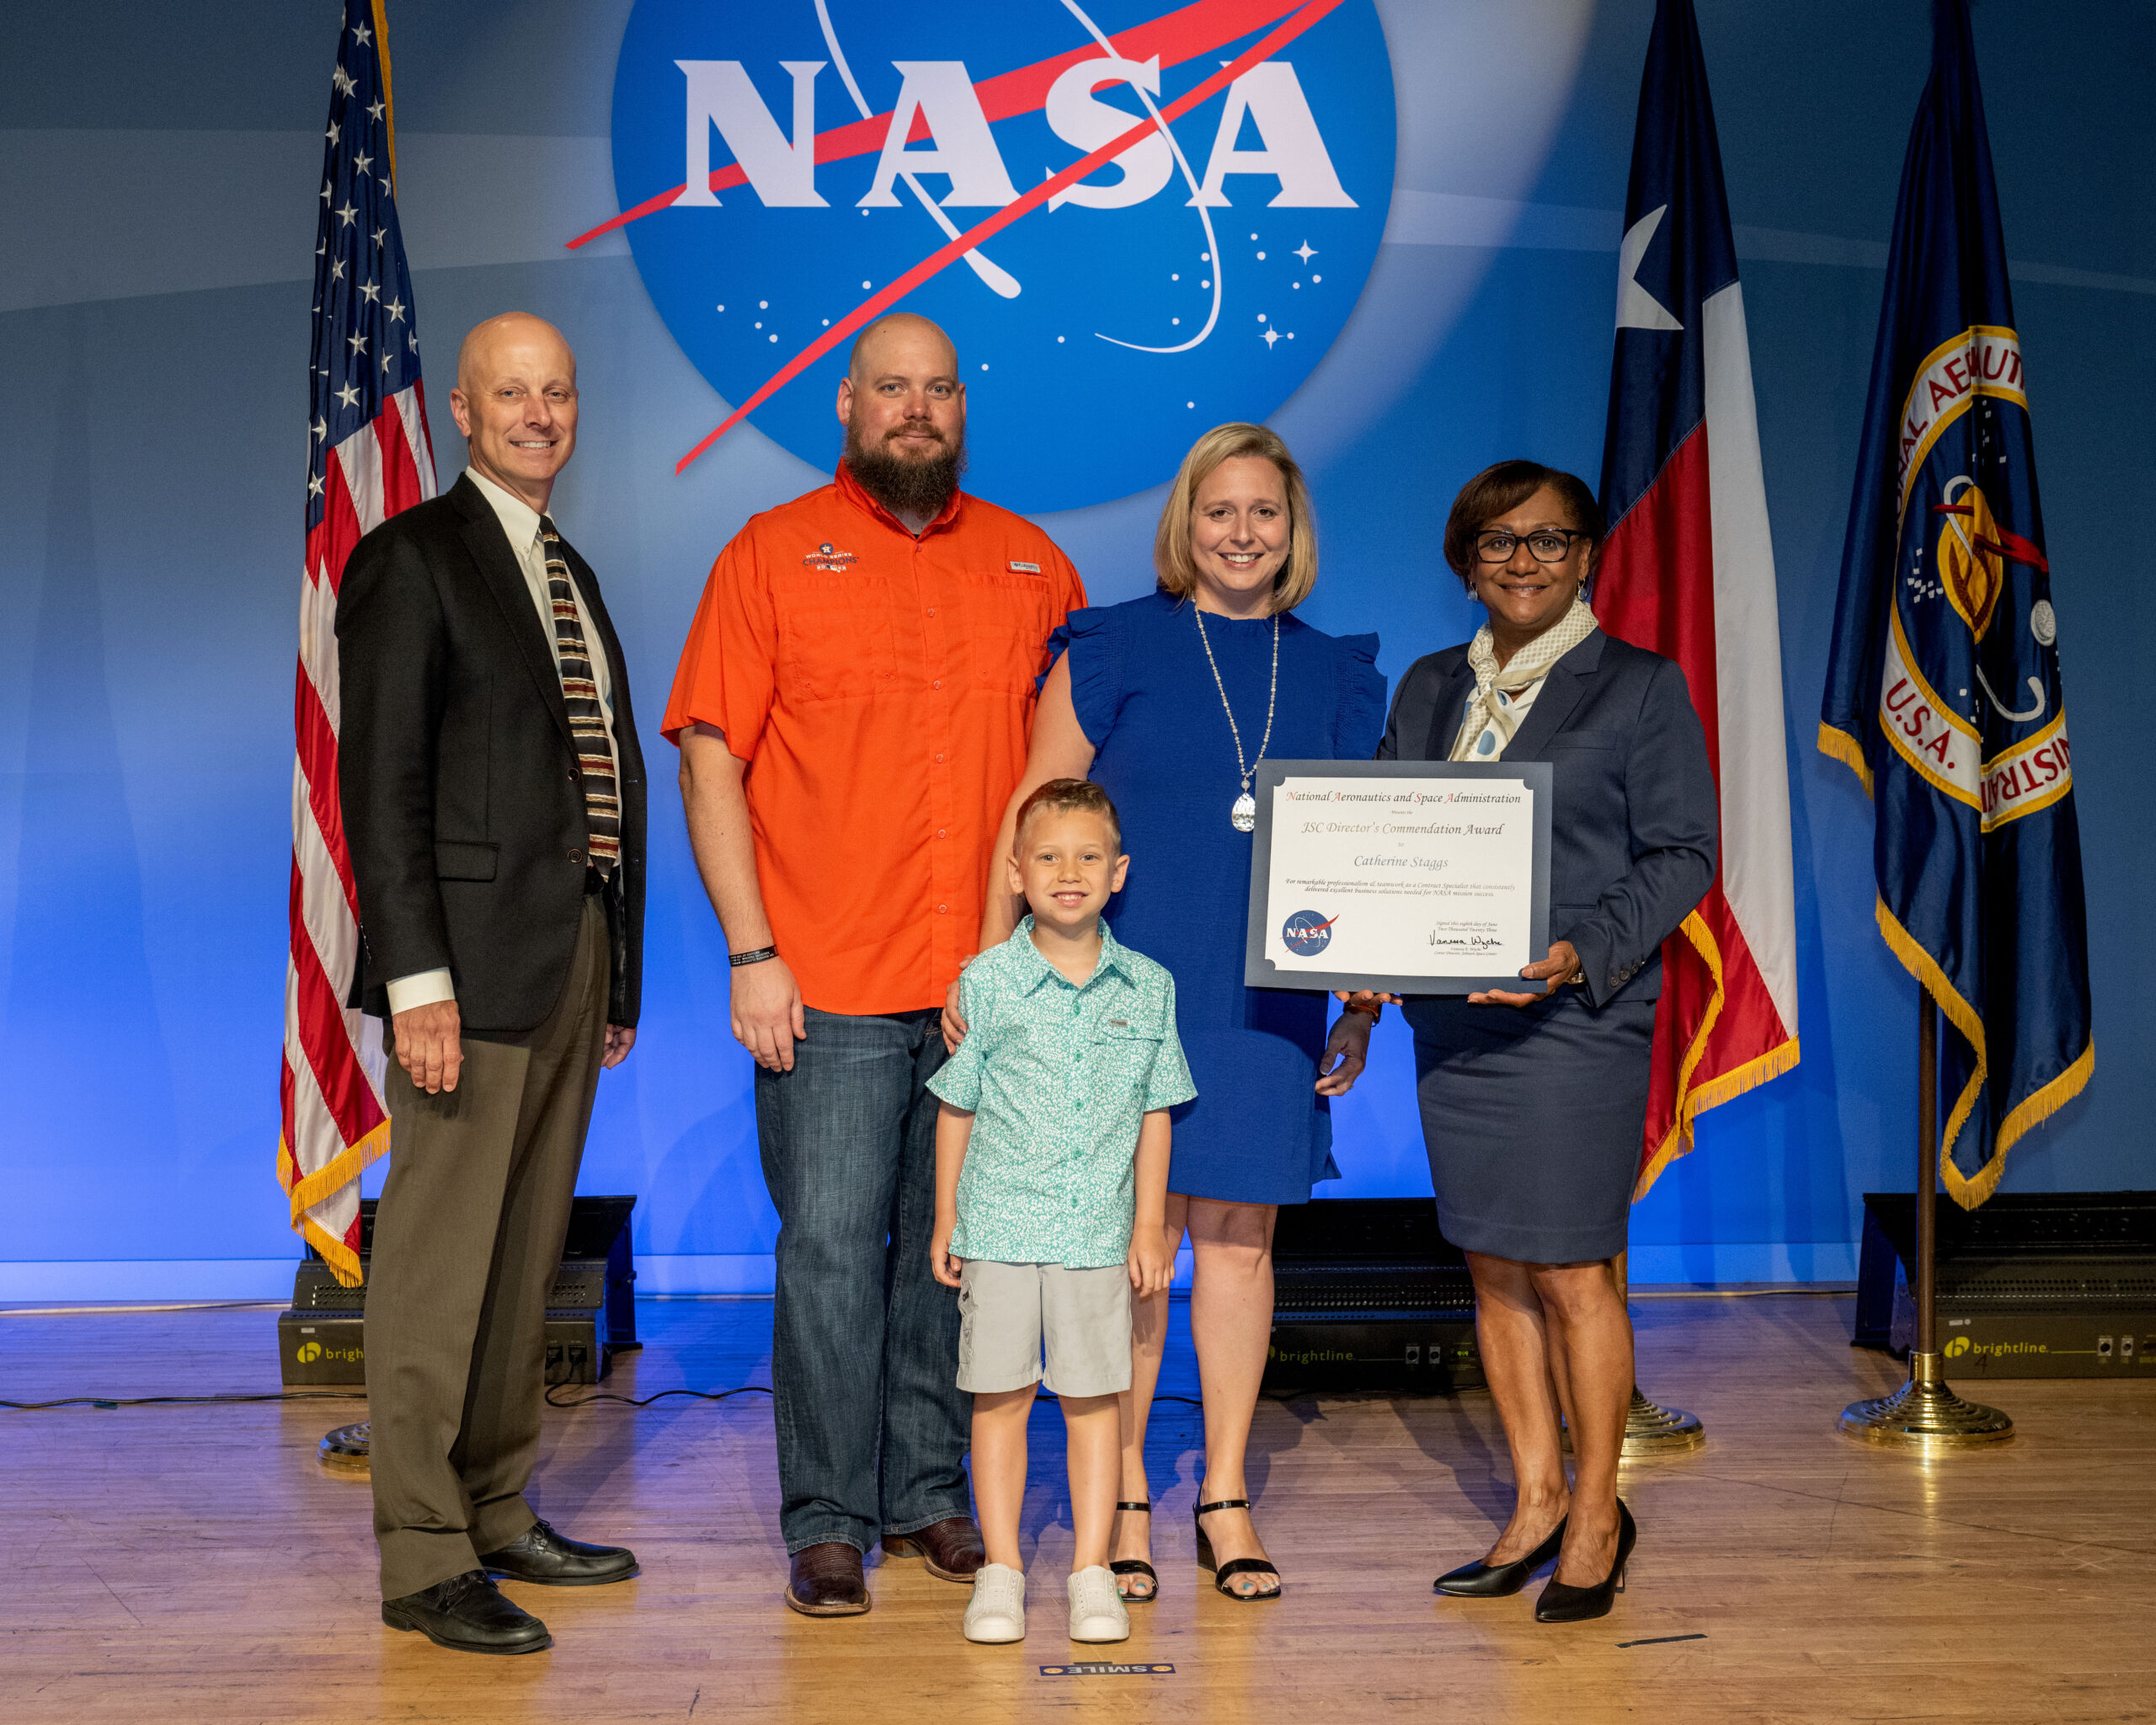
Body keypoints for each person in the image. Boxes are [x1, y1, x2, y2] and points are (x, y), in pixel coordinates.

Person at [665, 313, 1088, 1617]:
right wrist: (753, 953)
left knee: (950, 1250)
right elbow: (709, 757)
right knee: (835, 1253)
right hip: (830, 982)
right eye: (890, 388)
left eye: (937, 390)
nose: (916, 409)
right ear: (846, 403)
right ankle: (830, 1517)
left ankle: (927, 1494)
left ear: (965, 407)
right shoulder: (772, 555)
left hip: (985, 989)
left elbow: (1066, 780)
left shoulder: (1035, 566)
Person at [947, 423, 1386, 1601]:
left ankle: (1226, 1494)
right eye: (1219, 512)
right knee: (1131, 1256)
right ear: (1184, 525)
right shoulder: (1115, 645)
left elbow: (1365, 865)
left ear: (1294, 532)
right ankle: (1127, 1491)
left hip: (1268, 1005)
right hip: (1114, 996)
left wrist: (1363, 1003)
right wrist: (992, 971)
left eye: (1265, 514)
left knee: (1239, 1247)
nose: (1242, 534)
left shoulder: (1339, 671)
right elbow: (1039, 807)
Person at [337, 312, 647, 1655]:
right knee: (437, 1264)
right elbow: (383, 788)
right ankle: (421, 1553)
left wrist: (618, 967)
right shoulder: (413, 559)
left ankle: (498, 1504)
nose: (538, 413)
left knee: (524, 1257)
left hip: (566, 953)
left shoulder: (567, 570)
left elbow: (600, 772)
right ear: (462, 412)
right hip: (459, 970)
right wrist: (417, 980)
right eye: (511, 394)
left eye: (557, 392)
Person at [1374, 460, 1715, 1622]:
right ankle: (1531, 1498)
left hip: (1573, 1025)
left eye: (1551, 540)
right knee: (1491, 1261)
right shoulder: (1425, 689)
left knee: (1573, 1267)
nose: (1525, 561)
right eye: (1500, 541)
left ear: (1585, 558)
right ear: (1466, 560)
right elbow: (1385, 846)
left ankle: (1596, 1514)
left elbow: (1680, 856)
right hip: (1453, 1030)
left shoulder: (1640, 687)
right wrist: (1359, 987)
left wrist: (1575, 951)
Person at [926, 779, 1194, 1647]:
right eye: (1048, 855)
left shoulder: (1151, 986)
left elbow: (1157, 1110)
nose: (1067, 872)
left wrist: (1148, 1224)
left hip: (1093, 1235)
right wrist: (945, 1221)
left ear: (1118, 872)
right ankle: (1000, 1569)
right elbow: (956, 1108)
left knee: (1092, 1401)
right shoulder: (987, 980)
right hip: (999, 1226)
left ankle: (1090, 1570)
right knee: (998, 1395)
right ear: (1016, 871)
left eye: (1087, 856)